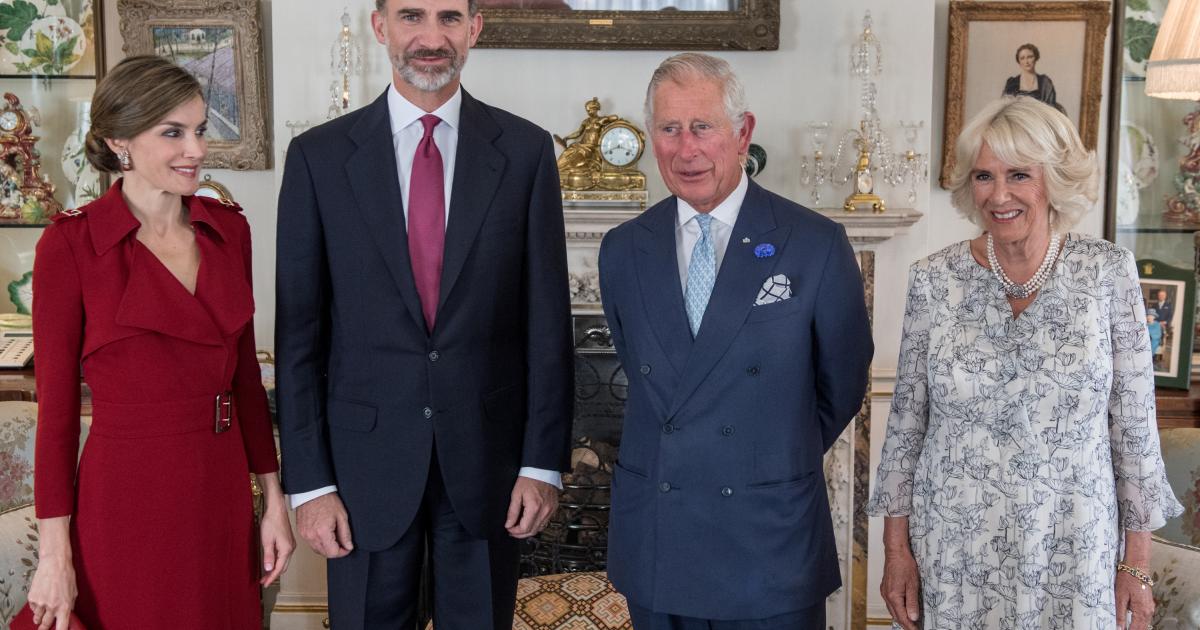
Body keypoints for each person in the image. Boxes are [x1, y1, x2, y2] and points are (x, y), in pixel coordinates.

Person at [274, 1, 574, 628]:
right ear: (381, 27)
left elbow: (548, 324)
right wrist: (311, 483)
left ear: (475, 28)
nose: (431, 37)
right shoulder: (318, 158)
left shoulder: (524, 152)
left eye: (449, 18)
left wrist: (541, 462)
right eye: (412, 16)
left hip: (489, 466)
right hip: (361, 473)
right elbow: (299, 337)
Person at [868, 96, 1182, 629]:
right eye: (984, 176)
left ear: (1054, 180)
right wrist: (897, 554)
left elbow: (1134, 430)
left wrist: (1138, 564)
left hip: (1075, 545)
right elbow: (905, 430)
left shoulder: (1107, 272)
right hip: (955, 546)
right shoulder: (933, 280)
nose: (999, 194)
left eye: (1019, 174)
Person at [598, 52, 872, 630]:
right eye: (670, 129)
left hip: (768, 538)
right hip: (659, 538)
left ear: (742, 132)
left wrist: (764, 455)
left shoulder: (814, 244)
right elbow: (650, 371)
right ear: (652, 137)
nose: (686, 148)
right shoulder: (623, 249)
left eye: (703, 127)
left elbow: (842, 384)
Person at [26, 55, 293, 630]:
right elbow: (56, 417)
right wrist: (55, 554)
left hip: (221, 489)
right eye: (172, 133)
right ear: (119, 141)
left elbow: (246, 380)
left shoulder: (229, 231)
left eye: (199, 129)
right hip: (128, 498)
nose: (195, 149)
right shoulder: (69, 246)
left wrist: (274, 501)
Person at [1002, 43, 1066, 114]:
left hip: (1040, 120)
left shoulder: (1045, 82)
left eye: (1030, 57)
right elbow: (1005, 108)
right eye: (1022, 58)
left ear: (1036, 58)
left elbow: (1050, 109)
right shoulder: (1012, 83)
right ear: (1019, 61)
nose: (1026, 61)